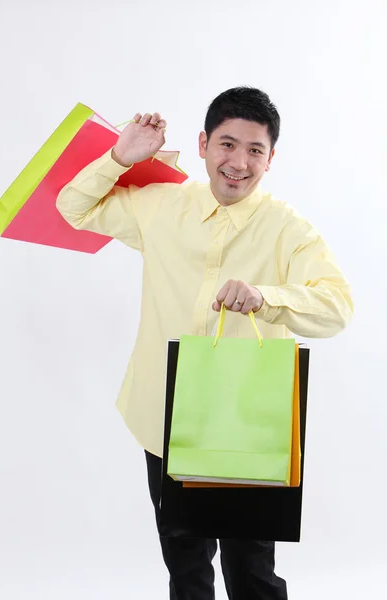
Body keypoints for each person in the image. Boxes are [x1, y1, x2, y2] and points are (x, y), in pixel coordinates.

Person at [56, 87, 353, 600]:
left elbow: (336, 309)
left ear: (271, 158)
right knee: (187, 568)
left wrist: (266, 297)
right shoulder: (160, 206)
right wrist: (118, 157)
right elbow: (72, 208)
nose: (238, 162)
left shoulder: (288, 229)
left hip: (246, 427)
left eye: (255, 150)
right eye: (227, 144)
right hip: (165, 418)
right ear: (202, 144)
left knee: (252, 571)